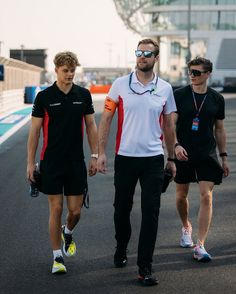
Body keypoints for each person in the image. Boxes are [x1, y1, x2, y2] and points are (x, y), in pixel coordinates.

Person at [97, 39, 177, 286]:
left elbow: (169, 124)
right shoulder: (120, 85)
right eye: (139, 52)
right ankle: (121, 246)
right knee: (121, 209)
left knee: (151, 213)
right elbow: (106, 119)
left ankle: (145, 268)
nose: (142, 56)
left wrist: (171, 157)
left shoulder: (165, 88)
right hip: (125, 157)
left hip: (153, 158)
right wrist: (100, 152)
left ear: (156, 58)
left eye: (147, 53)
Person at [27, 51, 98, 274]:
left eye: (72, 70)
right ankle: (57, 257)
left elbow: (91, 126)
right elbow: (35, 131)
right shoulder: (44, 97)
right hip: (51, 162)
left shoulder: (84, 95)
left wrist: (95, 155)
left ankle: (67, 232)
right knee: (55, 208)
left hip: (75, 162)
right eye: (65, 70)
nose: (69, 74)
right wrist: (30, 163)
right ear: (56, 70)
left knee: (75, 211)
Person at [173, 57, 230, 262]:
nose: (192, 75)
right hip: (183, 152)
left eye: (197, 72)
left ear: (208, 74)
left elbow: (220, 129)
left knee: (207, 196)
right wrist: (175, 145)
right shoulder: (178, 95)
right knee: (181, 196)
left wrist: (224, 157)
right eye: (191, 72)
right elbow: (170, 125)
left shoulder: (216, 99)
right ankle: (186, 226)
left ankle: (200, 245)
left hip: (207, 153)